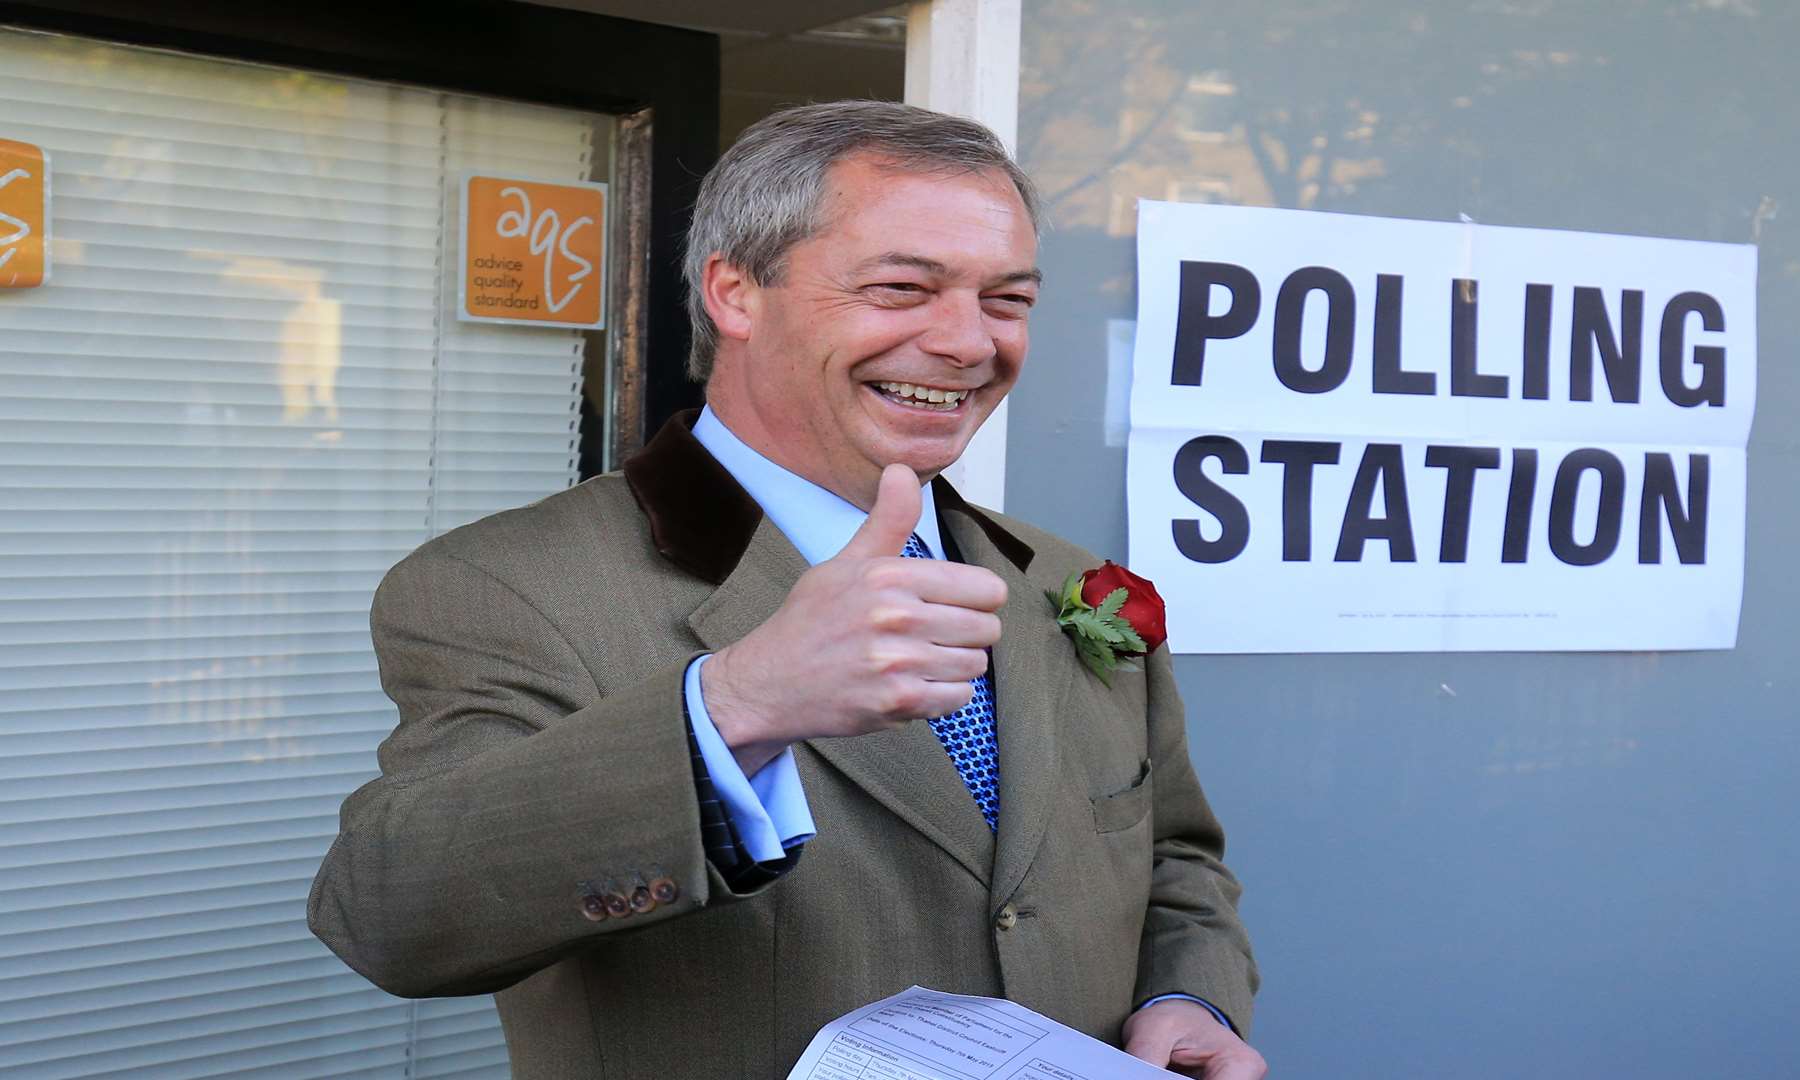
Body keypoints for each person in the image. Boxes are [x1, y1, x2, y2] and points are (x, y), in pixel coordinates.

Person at [308, 100, 1262, 1079]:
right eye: (902, 287)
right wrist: (738, 706)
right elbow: (388, 917)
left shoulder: (1071, 582)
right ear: (736, 292)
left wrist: (1185, 997)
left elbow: (1175, 862)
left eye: (1007, 299)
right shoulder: (505, 586)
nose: (970, 342)